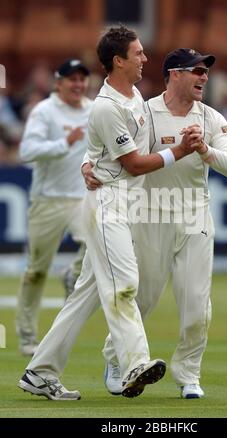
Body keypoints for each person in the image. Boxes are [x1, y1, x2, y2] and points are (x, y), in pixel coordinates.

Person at [18, 27, 203, 401]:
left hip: (127, 202)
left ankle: (39, 372)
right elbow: (134, 163)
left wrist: (88, 161)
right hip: (108, 204)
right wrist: (180, 152)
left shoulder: (133, 95)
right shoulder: (106, 105)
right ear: (118, 61)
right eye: (137, 54)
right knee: (125, 284)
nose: (144, 59)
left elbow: (101, 146)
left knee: (84, 296)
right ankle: (134, 361)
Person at [92, 48, 227, 399]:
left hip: (195, 216)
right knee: (141, 300)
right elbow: (117, 150)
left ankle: (189, 375)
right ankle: (117, 359)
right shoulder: (145, 113)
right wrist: (89, 164)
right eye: (198, 71)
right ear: (175, 73)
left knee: (196, 306)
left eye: (206, 72)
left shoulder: (212, 118)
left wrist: (204, 150)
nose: (204, 77)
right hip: (151, 214)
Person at [16, 59, 92, 356]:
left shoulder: (93, 110)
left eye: (82, 79)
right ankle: (26, 336)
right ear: (58, 83)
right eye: (71, 79)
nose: (78, 85)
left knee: (94, 245)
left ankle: (72, 273)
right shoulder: (44, 111)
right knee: (35, 271)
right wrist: (64, 142)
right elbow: (27, 152)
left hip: (81, 198)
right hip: (47, 199)